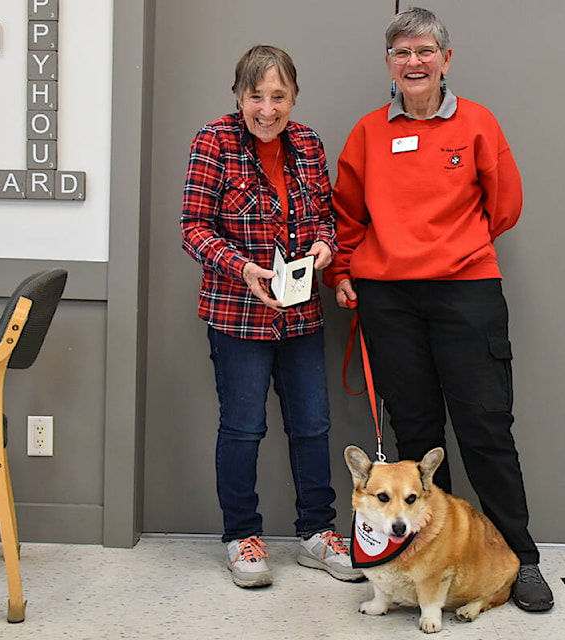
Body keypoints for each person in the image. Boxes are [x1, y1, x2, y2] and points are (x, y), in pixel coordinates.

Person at [324, 8, 554, 611]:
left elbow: (504, 206)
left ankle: (520, 559)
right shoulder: (368, 132)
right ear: (389, 64)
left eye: (425, 50)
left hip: (466, 291)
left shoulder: (477, 124)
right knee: (418, 435)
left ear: (446, 59)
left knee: (485, 431)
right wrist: (345, 270)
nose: (414, 62)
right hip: (389, 299)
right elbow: (347, 214)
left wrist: (455, 251)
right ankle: (432, 560)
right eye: (402, 53)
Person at [181, 45, 361, 588]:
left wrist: (326, 248)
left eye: (278, 96)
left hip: (302, 315)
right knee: (243, 428)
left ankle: (318, 533)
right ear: (238, 97)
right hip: (238, 314)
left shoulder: (307, 143)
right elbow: (193, 227)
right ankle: (242, 537)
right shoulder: (213, 141)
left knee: (313, 427)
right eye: (255, 95)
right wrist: (242, 269)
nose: (267, 108)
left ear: (294, 97)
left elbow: (325, 218)